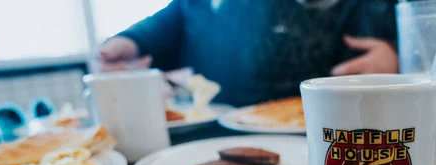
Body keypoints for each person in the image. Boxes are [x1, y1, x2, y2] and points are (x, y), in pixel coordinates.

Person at [99, 0, 399, 106]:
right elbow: (169, 21)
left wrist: (396, 57)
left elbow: (422, 34)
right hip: (219, 131)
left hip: (320, 131)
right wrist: (129, 41)